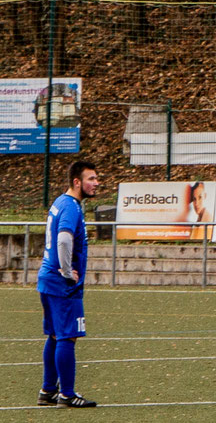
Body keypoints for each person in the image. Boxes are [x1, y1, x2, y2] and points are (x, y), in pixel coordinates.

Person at [38, 159, 99, 408]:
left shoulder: (60, 202)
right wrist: (66, 272)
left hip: (47, 280)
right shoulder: (71, 206)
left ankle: (48, 391)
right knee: (68, 337)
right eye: (91, 179)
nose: (96, 183)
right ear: (77, 182)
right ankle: (67, 394)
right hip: (61, 284)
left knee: (55, 335)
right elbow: (64, 240)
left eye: (96, 178)